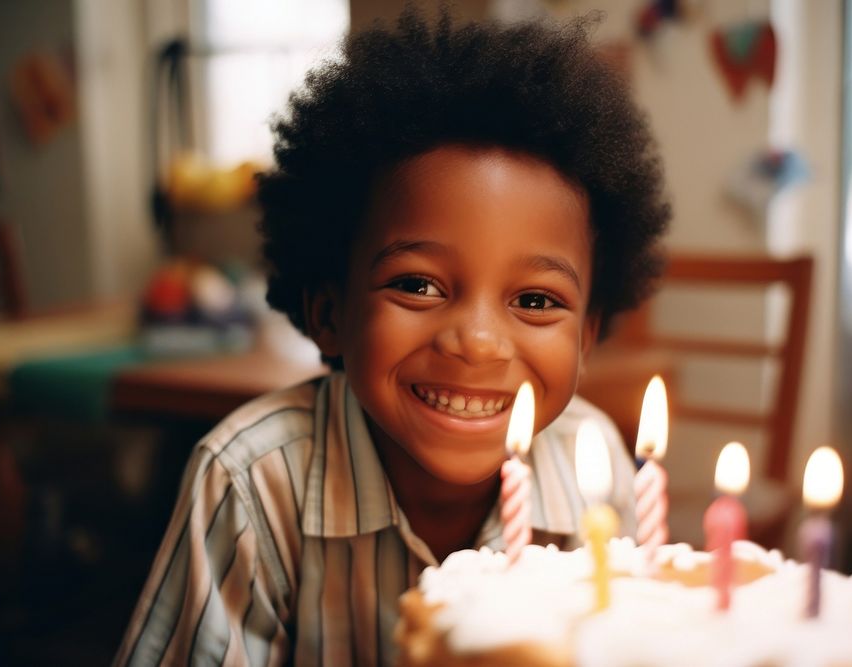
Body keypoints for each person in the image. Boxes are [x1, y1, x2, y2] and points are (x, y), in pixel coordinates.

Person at [116, 8, 669, 666]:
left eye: (534, 299)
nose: (478, 341)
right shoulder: (252, 481)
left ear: (587, 335)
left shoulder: (593, 464)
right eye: (418, 285)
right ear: (330, 312)